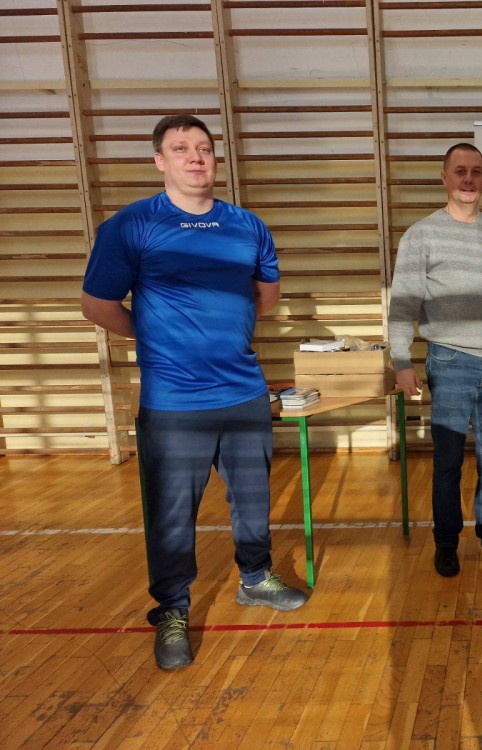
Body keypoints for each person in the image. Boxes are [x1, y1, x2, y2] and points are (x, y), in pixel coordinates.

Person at [81, 114, 307, 671]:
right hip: (173, 402)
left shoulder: (247, 226)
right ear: (160, 160)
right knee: (172, 514)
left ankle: (255, 577)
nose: (195, 157)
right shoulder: (131, 226)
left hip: (243, 392)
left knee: (252, 500)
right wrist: (155, 335)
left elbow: (266, 295)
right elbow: (97, 306)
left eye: (203, 147)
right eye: (181, 148)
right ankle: (173, 609)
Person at [388, 142, 482, 578]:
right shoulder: (421, 234)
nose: (468, 179)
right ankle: (446, 542)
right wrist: (401, 361)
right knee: (448, 460)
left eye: (476, 171)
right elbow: (403, 305)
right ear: (444, 177)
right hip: (449, 361)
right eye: (460, 171)